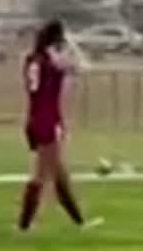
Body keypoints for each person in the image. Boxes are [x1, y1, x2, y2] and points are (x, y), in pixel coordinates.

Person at [18, 21, 100, 231]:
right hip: (48, 120)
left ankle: (30, 225)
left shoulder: (32, 59)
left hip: (34, 119)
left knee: (50, 172)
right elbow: (83, 67)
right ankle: (75, 223)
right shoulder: (52, 61)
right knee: (49, 174)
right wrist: (72, 45)